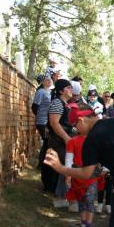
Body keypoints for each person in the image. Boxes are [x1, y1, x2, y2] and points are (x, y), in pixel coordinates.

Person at [64, 103, 101, 227]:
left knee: (90, 200)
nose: (75, 127)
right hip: (78, 175)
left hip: (92, 176)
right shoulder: (72, 141)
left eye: (75, 124)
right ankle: (84, 224)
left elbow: (102, 155)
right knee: (81, 201)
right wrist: (68, 174)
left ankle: (89, 225)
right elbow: (69, 158)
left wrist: (104, 168)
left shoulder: (95, 139)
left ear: (82, 120)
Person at [47, 79, 74, 209]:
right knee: (65, 166)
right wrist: (66, 138)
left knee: (67, 166)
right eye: (68, 87)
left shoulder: (65, 104)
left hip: (63, 140)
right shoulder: (57, 102)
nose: (71, 90)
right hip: (58, 141)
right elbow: (54, 123)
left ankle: (64, 197)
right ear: (61, 91)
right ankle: (60, 198)